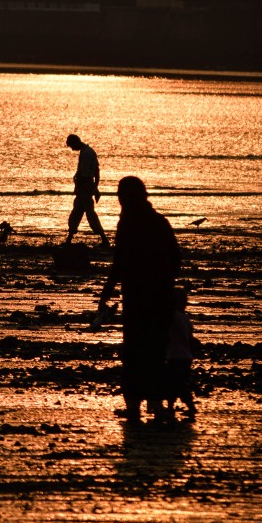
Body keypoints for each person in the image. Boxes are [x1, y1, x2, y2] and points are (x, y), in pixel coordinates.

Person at [97, 175, 180, 425]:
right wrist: (165, 284)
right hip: (159, 296)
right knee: (155, 348)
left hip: (136, 297)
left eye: (120, 196)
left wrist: (105, 293)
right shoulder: (159, 222)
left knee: (134, 350)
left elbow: (119, 263)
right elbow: (175, 260)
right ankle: (155, 401)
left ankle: (133, 403)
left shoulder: (128, 224)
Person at [64, 133, 109, 247]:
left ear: (76, 142)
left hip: (85, 187)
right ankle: (69, 239)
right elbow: (96, 171)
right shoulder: (88, 152)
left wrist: (89, 188)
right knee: (77, 213)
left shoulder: (86, 154)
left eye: (72, 146)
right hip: (85, 187)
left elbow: (86, 175)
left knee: (88, 214)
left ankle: (104, 239)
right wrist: (95, 187)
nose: (72, 149)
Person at [166, 285, 199, 422]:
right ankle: (171, 407)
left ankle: (189, 405)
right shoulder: (185, 318)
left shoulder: (171, 317)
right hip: (186, 356)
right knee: (177, 382)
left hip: (175, 356)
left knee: (177, 383)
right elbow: (190, 337)